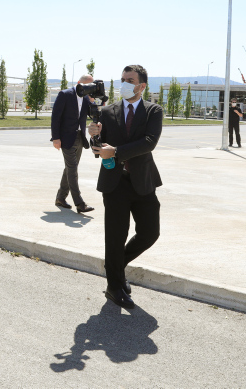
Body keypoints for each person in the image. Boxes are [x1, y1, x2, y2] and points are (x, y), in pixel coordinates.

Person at [88, 65, 162, 309]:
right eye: (122, 79)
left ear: (142, 86)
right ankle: (114, 286)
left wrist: (117, 151)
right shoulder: (108, 111)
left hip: (143, 181)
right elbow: (98, 149)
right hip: (115, 183)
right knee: (115, 237)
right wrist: (94, 135)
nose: (124, 84)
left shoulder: (153, 111)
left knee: (150, 232)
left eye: (130, 80)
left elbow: (149, 142)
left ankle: (117, 268)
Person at [50, 74, 95, 213]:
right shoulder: (65, 94)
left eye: (90, 86)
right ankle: (79, 203)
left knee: (70, 169)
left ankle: (60, 198)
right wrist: (56, 138)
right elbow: (55, 117)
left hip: (80, 137)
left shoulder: (86, 97)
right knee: (73, 169)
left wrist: (93, 101)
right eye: (86, 85)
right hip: (66, 138)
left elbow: (92, 114)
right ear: (79, 82)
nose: (88, 88)